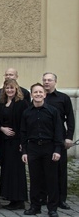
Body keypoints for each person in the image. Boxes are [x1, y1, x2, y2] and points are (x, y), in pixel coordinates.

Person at [21, 83, 63, 217]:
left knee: (51, 179)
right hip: (33, 148)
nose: (38, 94)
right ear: (31, 94)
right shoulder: (27, 112)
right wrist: (24, 152)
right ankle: (35, 206)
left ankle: (52, 208)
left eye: (40, 92)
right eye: (35, 92)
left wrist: (57, 149)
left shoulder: (53, 111)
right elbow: (23, 133)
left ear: (44, 94)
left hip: (49, 148)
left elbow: (58, 131)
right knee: (35, 179)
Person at [43, 72, 75, 210]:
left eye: (49, 80)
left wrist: (69, 137)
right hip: (43, 139)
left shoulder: (63, 98)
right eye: (44, 80)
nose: (46, 82)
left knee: (60, 171)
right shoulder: (39, 97)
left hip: (60, 139)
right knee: (43, 170)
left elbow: (71, 119)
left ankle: (61, 199)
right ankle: (44, 197)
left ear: (55, 82)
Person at [0, 79, 28, 210]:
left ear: (16, 89)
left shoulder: (22, 104)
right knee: (7, 170)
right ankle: (10, 198)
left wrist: (23, 142)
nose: (9, 90)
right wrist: (1, 128)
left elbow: (25, 124)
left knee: (17, 171)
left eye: (12, 88)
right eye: (7, 88)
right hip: (5, 143)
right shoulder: (2, 103)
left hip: (17, 142)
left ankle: (19, 200)